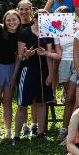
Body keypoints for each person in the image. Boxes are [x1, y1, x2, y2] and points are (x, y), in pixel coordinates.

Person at [15, 10, 59, 141]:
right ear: (34, 19)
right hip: (27, 71)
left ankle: (40, 132)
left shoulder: (49, 33)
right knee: (22, 105)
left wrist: (50, 74)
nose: (42, 21)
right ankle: (16, 135)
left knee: (42, 103)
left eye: (45, 18)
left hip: (43, 72)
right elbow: (20, 56)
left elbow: (49, 56)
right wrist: (26, 55)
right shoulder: (24, 32)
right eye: (40, 18)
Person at [0, 9, 21, 139]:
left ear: (19, 20)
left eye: (14, 19)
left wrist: (14, 76)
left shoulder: (21, 34)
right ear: (4, 22)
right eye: (8, 20)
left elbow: (19, 57)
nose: (11, 22)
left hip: (11, 68)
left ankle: (8, 131)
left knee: (7, 101)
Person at [54, 7, 79, 142]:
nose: (61, 18)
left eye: (64, 15)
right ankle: (66, 128)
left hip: (78, 62)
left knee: (71, 98)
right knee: (70, 100)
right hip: (64, 63)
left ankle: (68, 128)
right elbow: (58, 52)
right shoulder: (56, 31)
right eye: (58, 16)